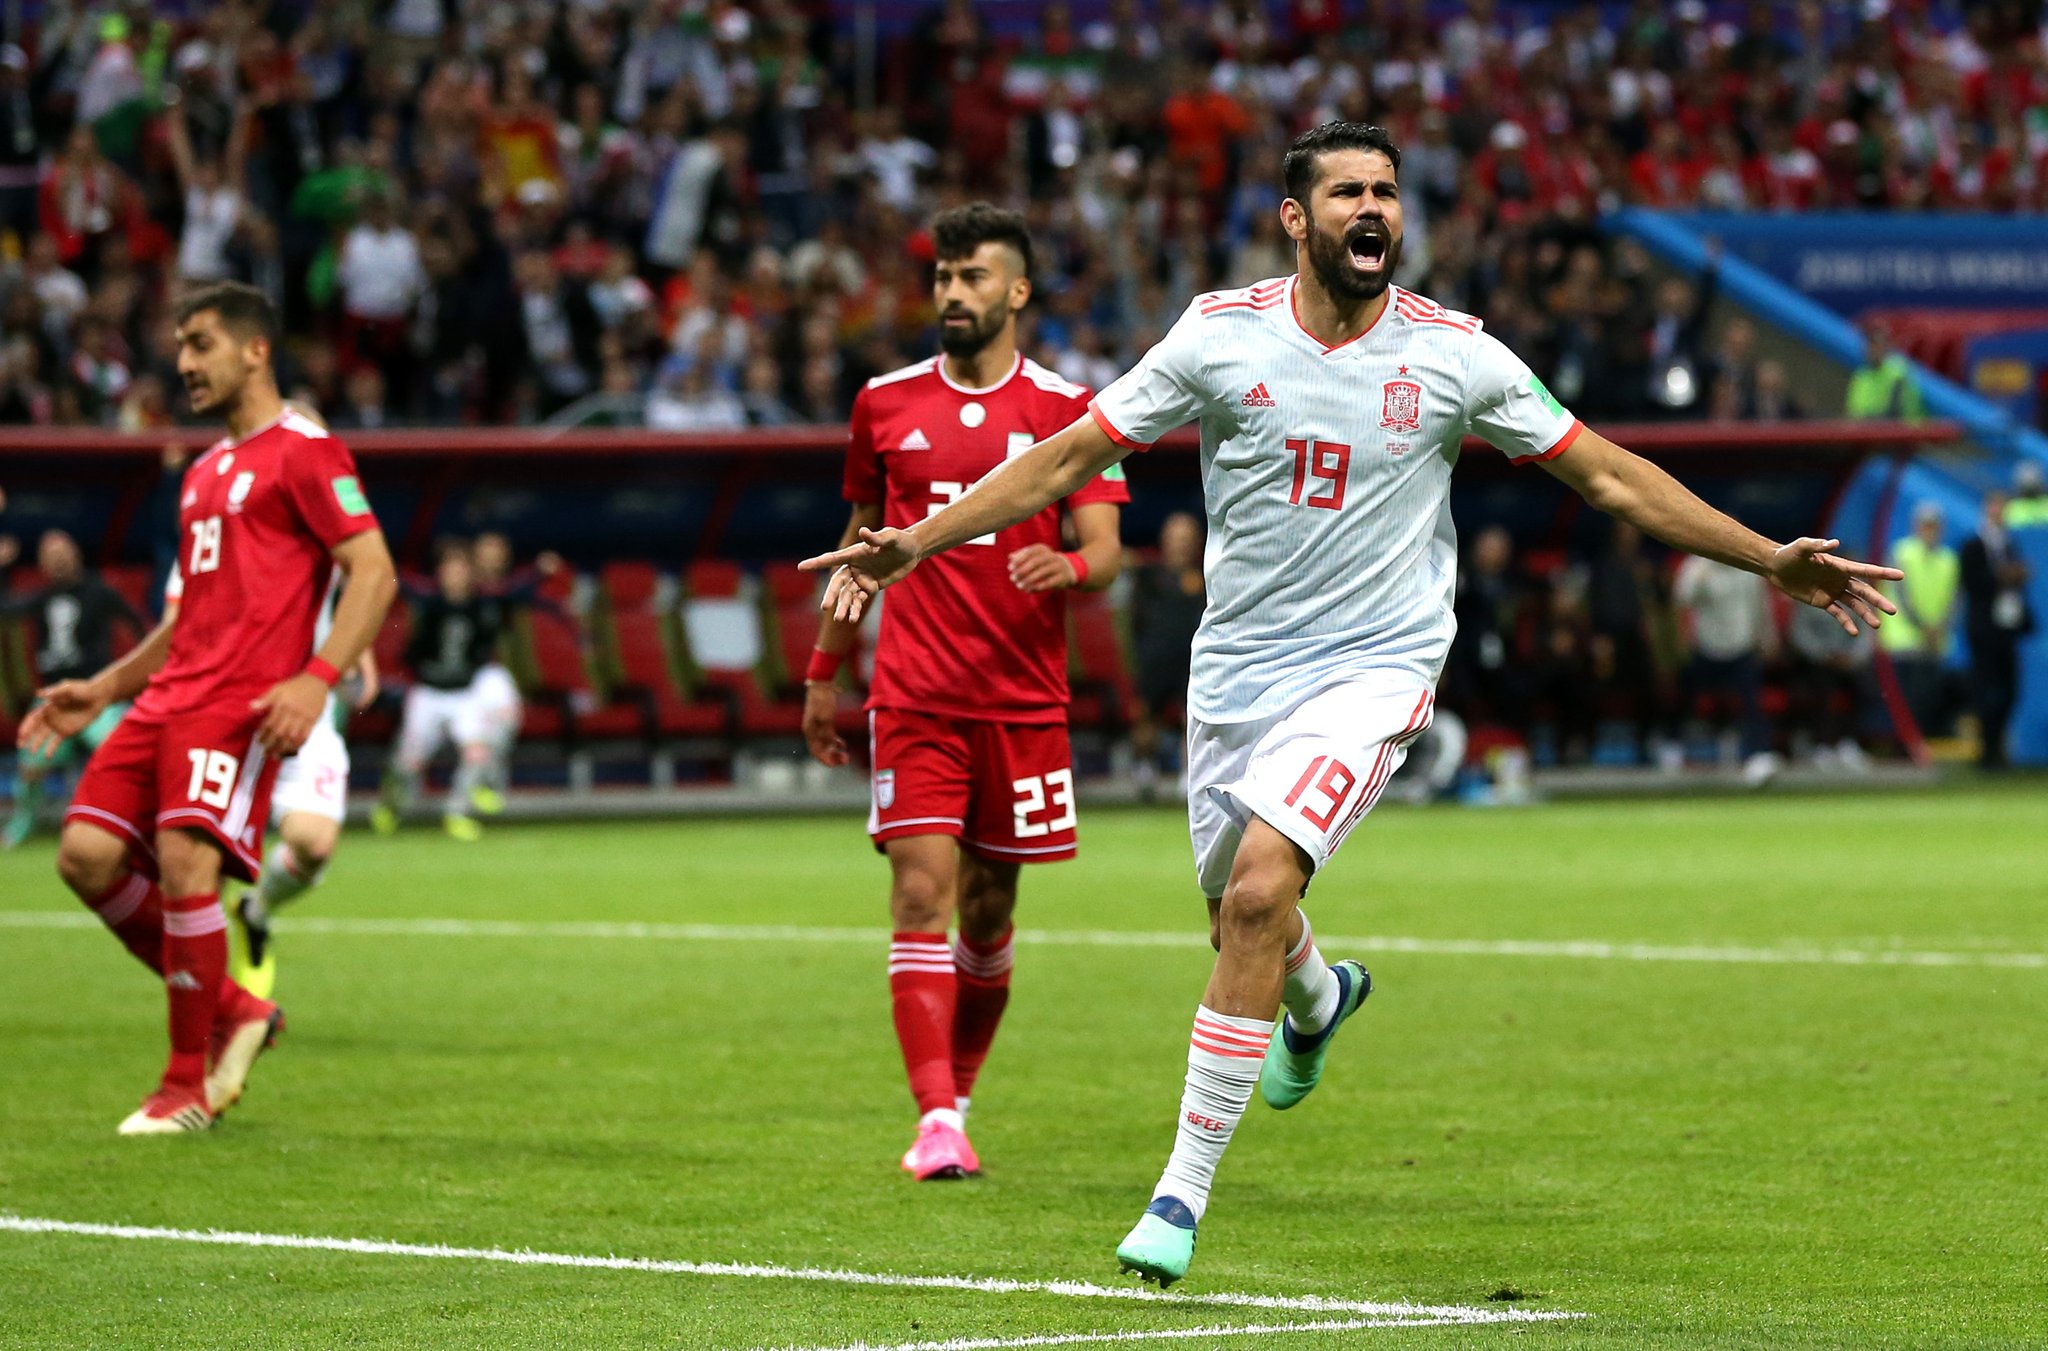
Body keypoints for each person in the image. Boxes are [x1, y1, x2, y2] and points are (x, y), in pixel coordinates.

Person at [805, 122, 1900, 1285]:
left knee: (1262, 887)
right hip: (1235, 678)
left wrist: (1765, 557)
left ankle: (1176, 1198)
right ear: (1296, 219)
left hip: (1375, 668)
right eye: (1344, 193)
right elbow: (1066, 458)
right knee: (1241, 916)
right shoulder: (1218, 338)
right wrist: (917, 539)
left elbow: (1609, 473)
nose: (1370, 209)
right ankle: (1318, 997)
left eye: (1384, 191)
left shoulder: (1455, 354)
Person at [18, 281, 395, 1134]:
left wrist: (315, 678)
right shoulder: (201, 476)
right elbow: (183, 616)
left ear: (255, 349)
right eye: (180, 346)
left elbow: (372, 570)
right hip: (169, 693)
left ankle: (183, 1085)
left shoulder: (306, 450)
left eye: (200, 344)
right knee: (82, 854)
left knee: (187, 862)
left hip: (238, 701)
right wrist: (105, 689)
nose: (183, 363)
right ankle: (240, 1008)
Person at [801, 203, 1128, 1182]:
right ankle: (935, 1117)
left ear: (1017, 291)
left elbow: (1106, 552)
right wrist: (823, 673)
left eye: (972, 277)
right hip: (913, 696)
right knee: (917, 893)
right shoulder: (884, 403)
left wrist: (1066, 573)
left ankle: (962, 1092)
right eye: (942, 277)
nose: (951, 293)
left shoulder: (1069, 407)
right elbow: (859, 551)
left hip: (1023, 704)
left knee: (986, 918)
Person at [372, 540, 528, 841]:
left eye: (460, 570)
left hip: (464, 694)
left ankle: (458, 812)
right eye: (449, 570)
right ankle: (391, 804)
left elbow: (510, 605)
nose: (454, 576)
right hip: (429, 693)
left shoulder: (482, 608)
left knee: (477, 753)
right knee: (408, 762)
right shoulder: (428, 604)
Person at [2, 529, 149, 848]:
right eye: (49, 557)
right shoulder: (40, 599)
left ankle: (135, 821)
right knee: (30, 765)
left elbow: (140, 629)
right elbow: (6, 609)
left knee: (119, 753)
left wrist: (138, 681)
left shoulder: (99, 592)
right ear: (41, 564)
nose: (57, 562)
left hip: (99, 697)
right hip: (54, 700)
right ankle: (21, 825)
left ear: (76, 555)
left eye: (61, 554)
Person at [468, 532, 560, 812]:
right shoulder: (458, 584)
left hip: (486, 674)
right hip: (443, 678)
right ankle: (394, 801)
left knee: (498, 727)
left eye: (497, 551)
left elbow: (518, 593)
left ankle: (485, 786)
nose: (492, 557)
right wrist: (537, 572)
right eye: (486, 550)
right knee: (416, 747)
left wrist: (540, 575)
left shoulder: (508, 588)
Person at [1673, 555, 1780, 783]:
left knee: (1751, 704)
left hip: (1742, 647)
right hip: (1707, 648)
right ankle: (1675, 749)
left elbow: (1760, 605)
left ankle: (1758, 756)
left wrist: (1768, 637)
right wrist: (1700, 580)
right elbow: (1683, 599)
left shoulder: (1749, 567)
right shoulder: (1696, 566)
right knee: (1687, 700)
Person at [1127, 512, 1206, 796]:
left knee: (1194, 720)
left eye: (1186, 539)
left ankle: (1189, 776)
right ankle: (1144, 769)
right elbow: (1135, 621)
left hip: (1193, 664)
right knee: (1147, 719)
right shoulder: (1147, 577)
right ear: (1164, 541)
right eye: (1176, 539)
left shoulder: (1209, 576)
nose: (1181, 545)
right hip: (1154, 661)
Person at [1960, 490, 2034, 768]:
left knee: (2010, 689)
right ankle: (1987, 748)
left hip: (2007, 627)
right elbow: (1972, 583)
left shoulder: (2010, 544)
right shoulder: (1974, 545)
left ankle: (1997, 744)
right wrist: (2002, 576)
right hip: (1983, 629)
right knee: (1986, 688)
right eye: (1995, 508)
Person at [1880, 503, 1959, 737]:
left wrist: (1939, 628)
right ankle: (1903, 745)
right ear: (1916, 526)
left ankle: (1917, 744)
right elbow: (1903, 597)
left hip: (1933, 643)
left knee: (1927, 697)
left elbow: (1954, 599)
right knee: (1903, 699)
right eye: (1926, 525)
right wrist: (1926, 628)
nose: (1930, 530)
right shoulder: (1902, 553)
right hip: (1904, 642)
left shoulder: (1949, 559)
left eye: (1934, 525)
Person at [1845, 327, 1925, 423]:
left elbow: (1895, 413)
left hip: (1902, 432)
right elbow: (1853, 412)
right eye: (1869, 345)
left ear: (1886, 346)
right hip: (1868, 431)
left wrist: (1865, 421)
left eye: (1876, 345)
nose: (1872, 350)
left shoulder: (1898, 371)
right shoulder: (1861, 376)